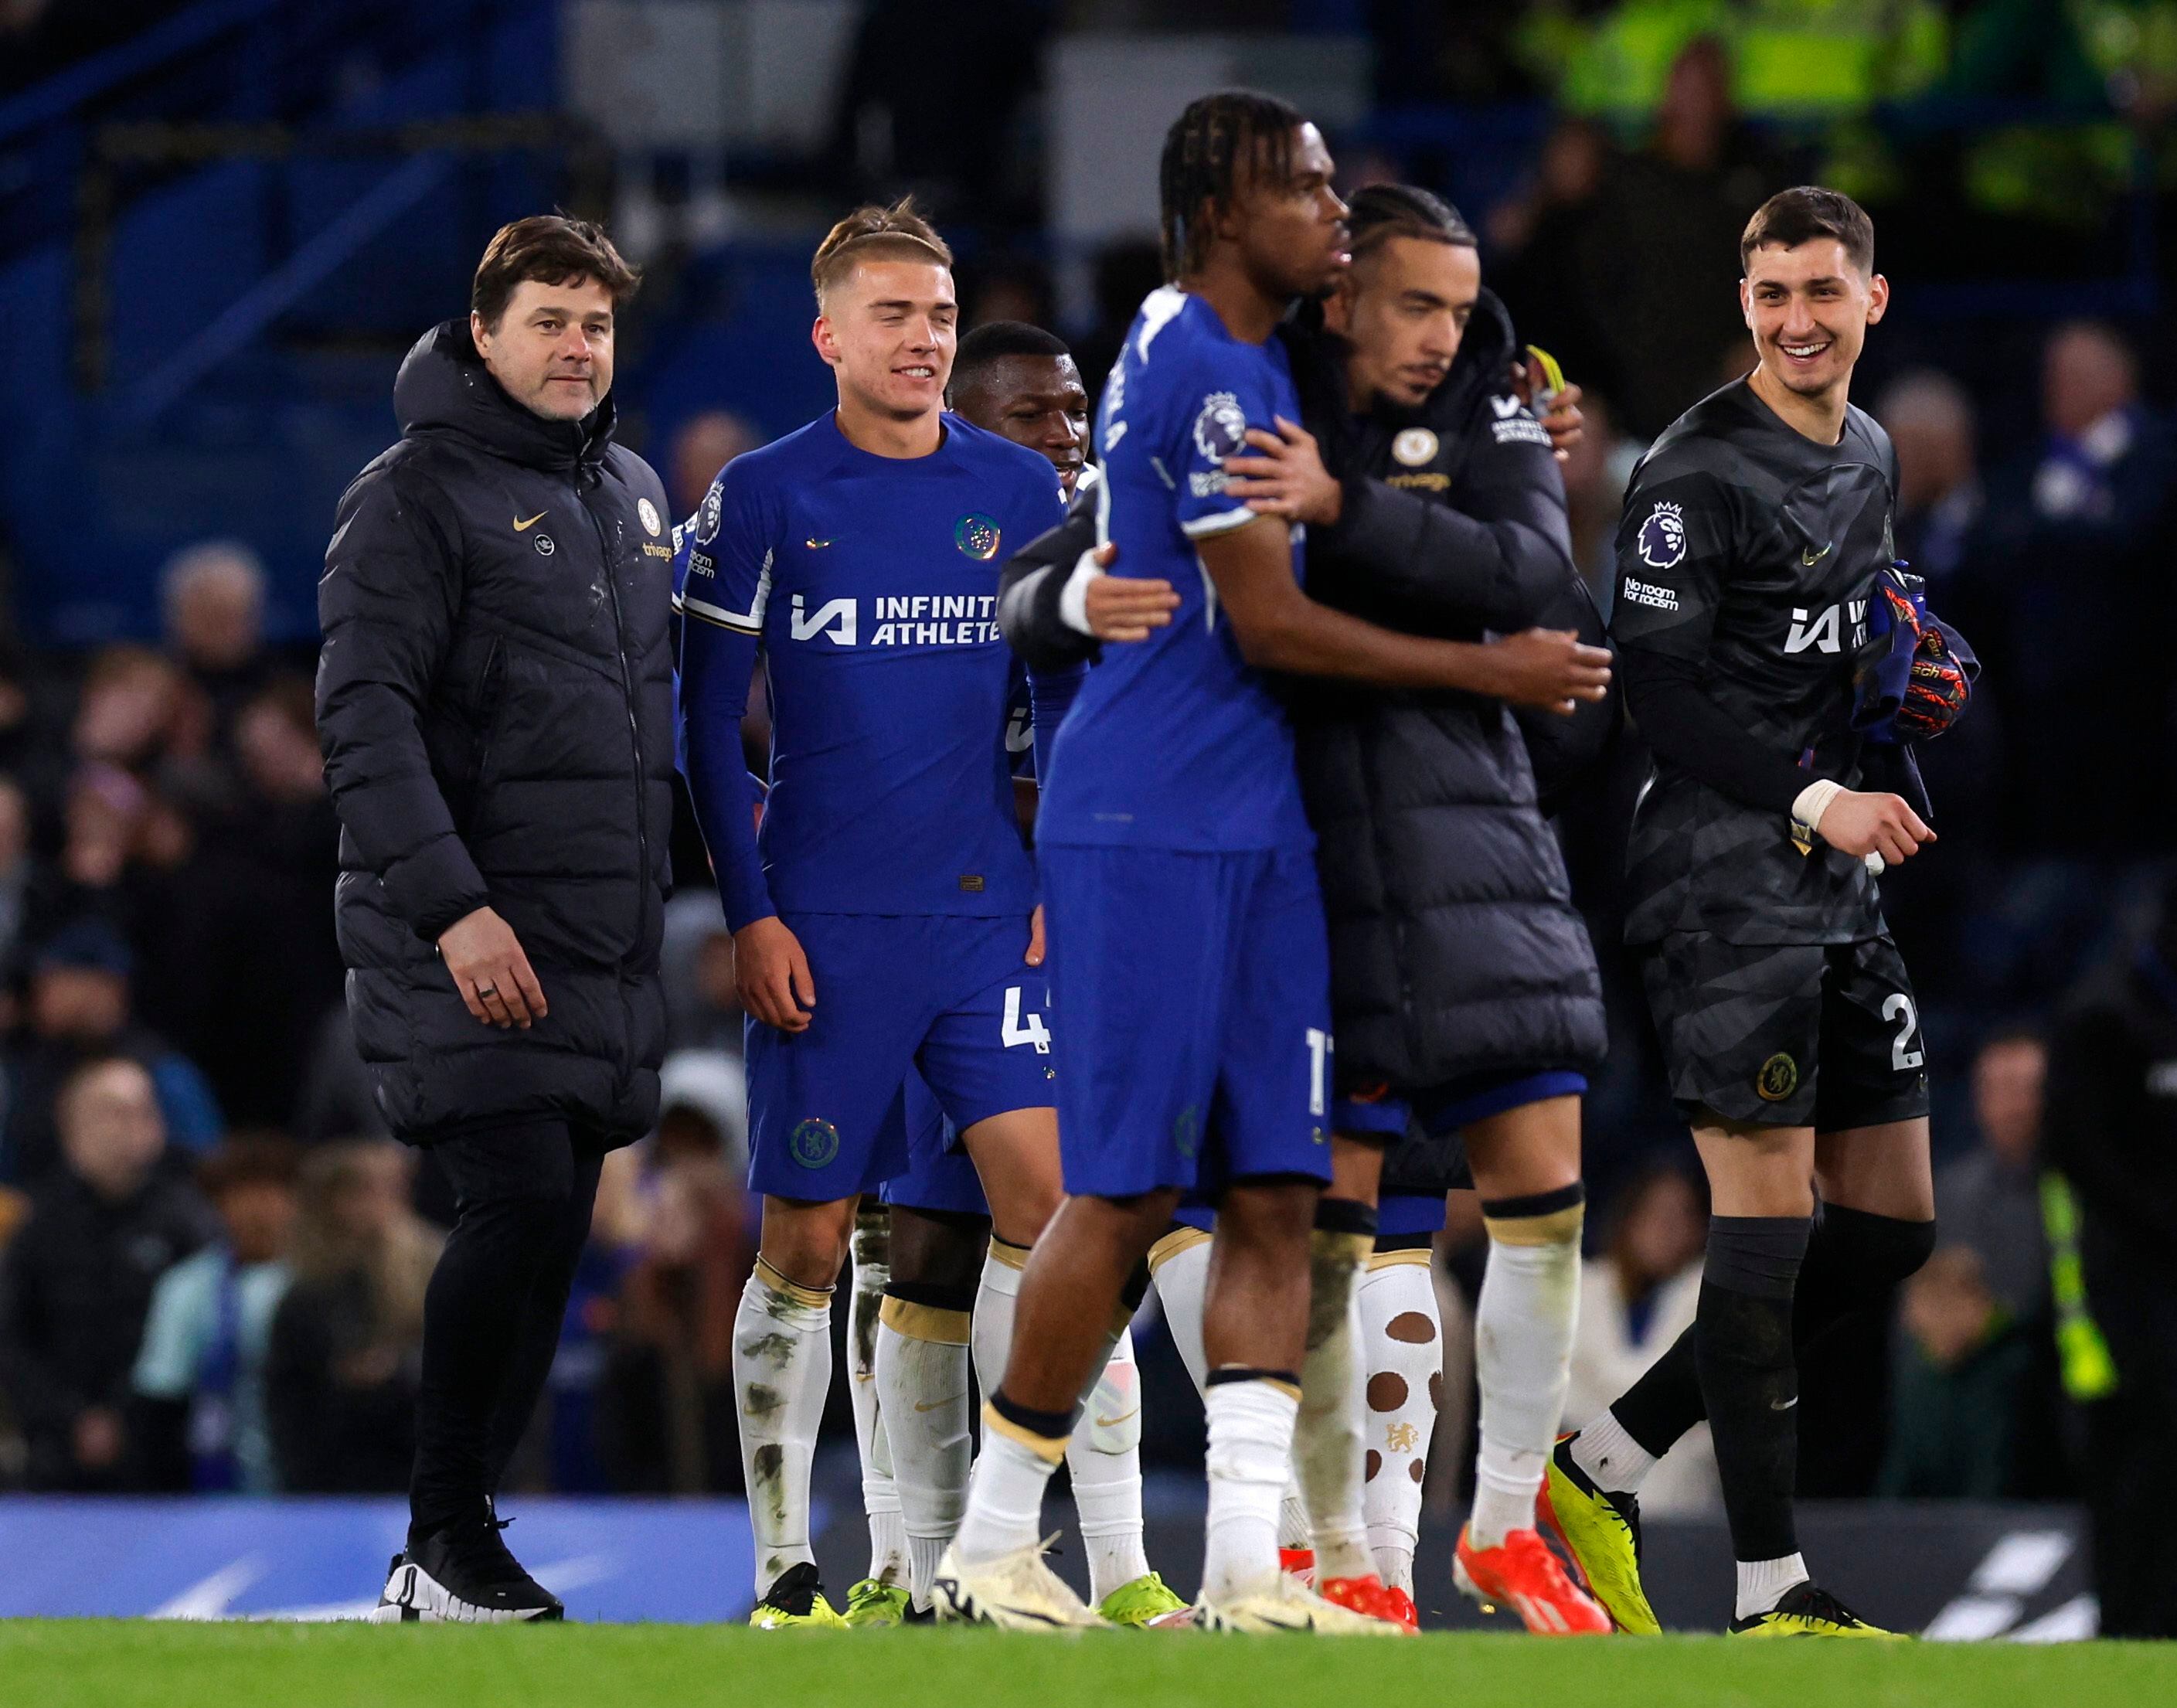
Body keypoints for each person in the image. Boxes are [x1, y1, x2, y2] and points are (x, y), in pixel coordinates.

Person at [937, 91, 1605, 1635]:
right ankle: (987, 1541)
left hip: (1258, 827)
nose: (1331, 208)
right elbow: (1269, 623)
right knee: (1119, 1195)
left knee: (1273, 1196)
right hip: (1156, 816)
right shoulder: (1204, 368)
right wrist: (1489, 675)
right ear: (1227, 209)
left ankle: (1253, 1567)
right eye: (1305, 188)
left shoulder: (1247, 357)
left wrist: (1514, 414)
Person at [1542, 187, 1967, 1638]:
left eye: (1821, 292)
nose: (1795, 319)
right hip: (1718, 878)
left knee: (1892, 1225)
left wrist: (1902, 709)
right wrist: (1814, 800)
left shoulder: (1866, 451)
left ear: (1871, 300)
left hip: (1832, 876)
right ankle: (1767, 1591)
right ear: (1743, 305)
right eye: (1771, 293)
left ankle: (1595, 1464)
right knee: (1766, 1222)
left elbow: (1855, 639)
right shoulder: (1688, 471)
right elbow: (1656, 689)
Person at [673, 199, 1073, 1629]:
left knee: (1054, 1213)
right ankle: (784, 1567)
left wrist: (1054, 884)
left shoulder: (1022, 495)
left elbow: (1061, 709)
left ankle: (996, 1552)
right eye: (893, 316)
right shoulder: (766, 496)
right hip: (827, 925)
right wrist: (754, 912)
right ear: (828, 333)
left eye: (941, 316)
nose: (922, 340)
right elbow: (708, 729)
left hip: (983, 922)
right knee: (805, 1239)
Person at [317, 213, 672, 1623]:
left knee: (546, 1241)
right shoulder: (409, 495)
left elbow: (653, 727)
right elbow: (362, 718)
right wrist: (456, 909)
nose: (577, 348)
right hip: (465, 939)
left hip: (601, 949)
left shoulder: (633, 492)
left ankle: (444, 1553)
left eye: (594, 325)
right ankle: (444, 1533)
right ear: (484, 334)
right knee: (517, 1198)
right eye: (549, 322)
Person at [824, 318, 1181, 1629]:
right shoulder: (894, 556)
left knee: (1076, 1216)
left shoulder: (1120, 549)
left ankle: (1123, 1565)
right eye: (1036, 416)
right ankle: (916, 1570)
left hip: (1070, 921)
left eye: (1078, 412)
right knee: (921, 1242)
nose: (1067, 437)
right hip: (930, 923)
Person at [2038, 871, 2177, 1638]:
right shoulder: (2106, 1015)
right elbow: (2079, 1152)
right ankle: (2131, 1627)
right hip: (2119, 1292)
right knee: (2137, 1460)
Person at [0, 1055, 218, 1490]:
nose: (135, 1126)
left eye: (145, 1111)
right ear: (73, 1129)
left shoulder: (189, 1224)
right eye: (116, 1113)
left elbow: (208, 1340)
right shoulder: (40, 1229)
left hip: (166, 1458)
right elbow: (12, 1337)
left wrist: (127, 1419)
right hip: (58, 1456)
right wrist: (71, 1419)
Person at [265, 1142, 442, 1495]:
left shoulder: (434, 1271)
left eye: (386, 1190)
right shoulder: (306, 1292)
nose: (373, 1206)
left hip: (419, 1470)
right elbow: (288, 1398)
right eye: (358, 1192)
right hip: (330, 1478)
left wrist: (400, 1370)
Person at [130, 1133, 298, 1493]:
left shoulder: (316, 1286)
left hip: (305, 1483)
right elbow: (161, 1395)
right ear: (219, 1205)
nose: (259, 1211)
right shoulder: (185, 1287)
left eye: (273, 1194)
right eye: (242, 1196)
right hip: (213, 1481)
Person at [1563, 1167, 1716, 1517]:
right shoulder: (1584, 1289)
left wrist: (1607, 1392)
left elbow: (1698, 1395)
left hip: (1684, 1508)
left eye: (1682, 1217)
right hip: (1583, 1496)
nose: (1668, 1230)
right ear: (1630, 1218)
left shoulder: (1709, 1295)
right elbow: (1568, 1399)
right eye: (1657, 1215)